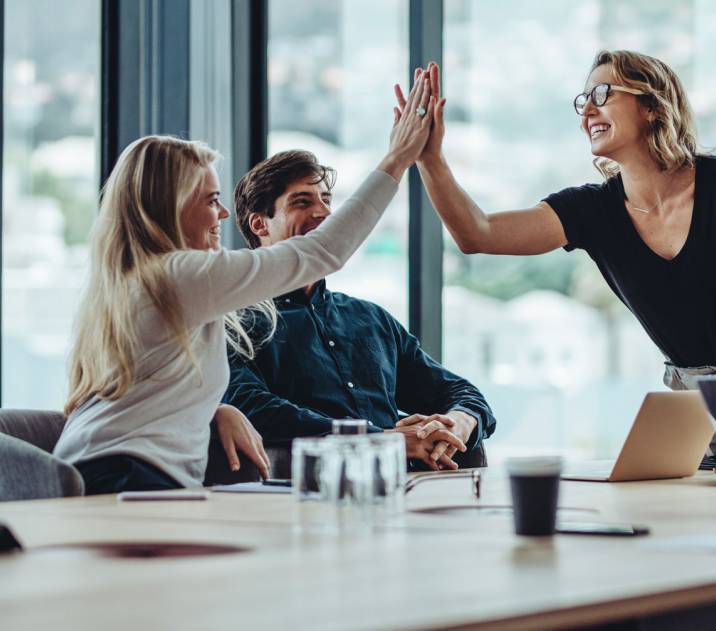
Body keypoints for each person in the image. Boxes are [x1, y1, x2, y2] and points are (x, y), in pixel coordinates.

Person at [407, 50, 716, 466]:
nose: (587, 112)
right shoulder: (592, 212)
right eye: (583, 101)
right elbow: (477, 233)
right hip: (701, 398)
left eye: (602, 94)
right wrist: (430, 159)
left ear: (651, 105)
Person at [53, 69, 436, 494]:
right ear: (170, 206)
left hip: (98, 469)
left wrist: (215, 410)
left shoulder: (136, 281)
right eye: (211, 200)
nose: (222, 214)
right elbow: (323, 251)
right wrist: (397, 159)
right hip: (125, 476)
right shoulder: (177, 276)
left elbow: (146, 390)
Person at [222, 150, 496, 472]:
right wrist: (380, 440)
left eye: (326, 200)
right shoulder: (234, 323)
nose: (324, 212)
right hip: (305, 489)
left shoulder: (371, 319)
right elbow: (251, 407)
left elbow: (460, 392)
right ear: (259, 224)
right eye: (302, 202)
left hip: (406, 487)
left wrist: (458, 422)